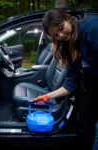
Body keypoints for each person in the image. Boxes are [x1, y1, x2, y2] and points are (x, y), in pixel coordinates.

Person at [33, 8, 98, 150]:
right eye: (56, 34)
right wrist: (47, 97)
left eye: (62, 28)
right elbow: (70, 84)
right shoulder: (71, 47)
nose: (62, 35)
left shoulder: (92, 28)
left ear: (68, 18)